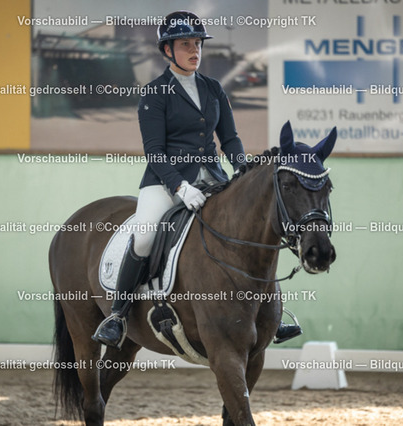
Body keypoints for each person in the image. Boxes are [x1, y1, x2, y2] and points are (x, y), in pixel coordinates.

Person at [92, 10, 301, 349]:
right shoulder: (155, 93)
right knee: (144, 237)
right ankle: (118, 315)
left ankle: (269, 316)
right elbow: (154, 151)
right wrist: (180, 186)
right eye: (185, 44)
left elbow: (229, 139)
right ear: (167, 50)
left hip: (213, 178)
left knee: (251, 228)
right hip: (165, 182)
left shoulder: (213, 88)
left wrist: (242, 169)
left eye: (197, 44)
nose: (194, 51)